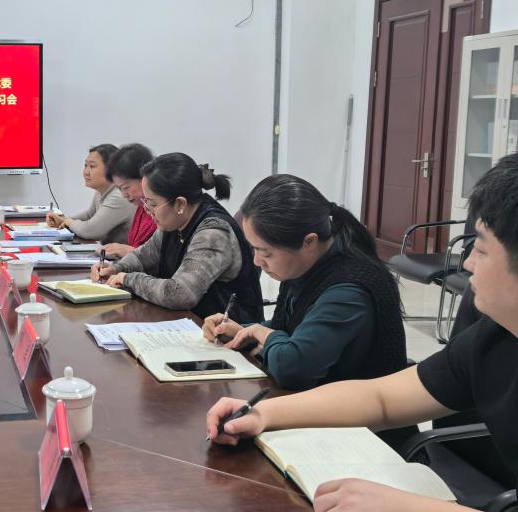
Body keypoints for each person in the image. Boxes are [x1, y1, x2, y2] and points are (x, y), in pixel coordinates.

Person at [205, 153, 518, 512]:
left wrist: (405, 506)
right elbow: (380, 397)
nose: (467, 264)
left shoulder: (350, 281)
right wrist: (264, 414)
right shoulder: (493, 337)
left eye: (481, 249)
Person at [201, 174, 413, 448]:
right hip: (320, 415)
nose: (256, 261)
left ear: (308, 242)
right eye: (254, 249)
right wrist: (244, 331)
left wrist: (265, 334)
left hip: (367, 440)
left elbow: (293, 368)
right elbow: (294, 328)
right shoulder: (305, 265)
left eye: (265, 252)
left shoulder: (349, 289)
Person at [92, 152, 262, 322]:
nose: (148, 210)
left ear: (180, 204)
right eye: (146, 202)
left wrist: (128, 279)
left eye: (152, 204)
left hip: (228, 333)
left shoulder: (213, 232)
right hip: (190, 325)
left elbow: (179, 294)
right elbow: (142, 257)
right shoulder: (174, 222)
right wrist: (114, 269)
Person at [46, 144, 134, 244]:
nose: (86, 172)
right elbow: (90, 215)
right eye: (85, 166)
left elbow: (90, 231)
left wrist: (70, 223)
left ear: (111, 170)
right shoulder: (102, 191)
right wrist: (63, 220)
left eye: (92, 166)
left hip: (124, 254)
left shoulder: (119, 196)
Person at [100, 143, 156, 259]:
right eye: (120, 189)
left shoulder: (163, 210)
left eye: (126, 187)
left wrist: (130, 251)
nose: (124, 195)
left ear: (144, 178)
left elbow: (163, 258)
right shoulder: (142, 207)